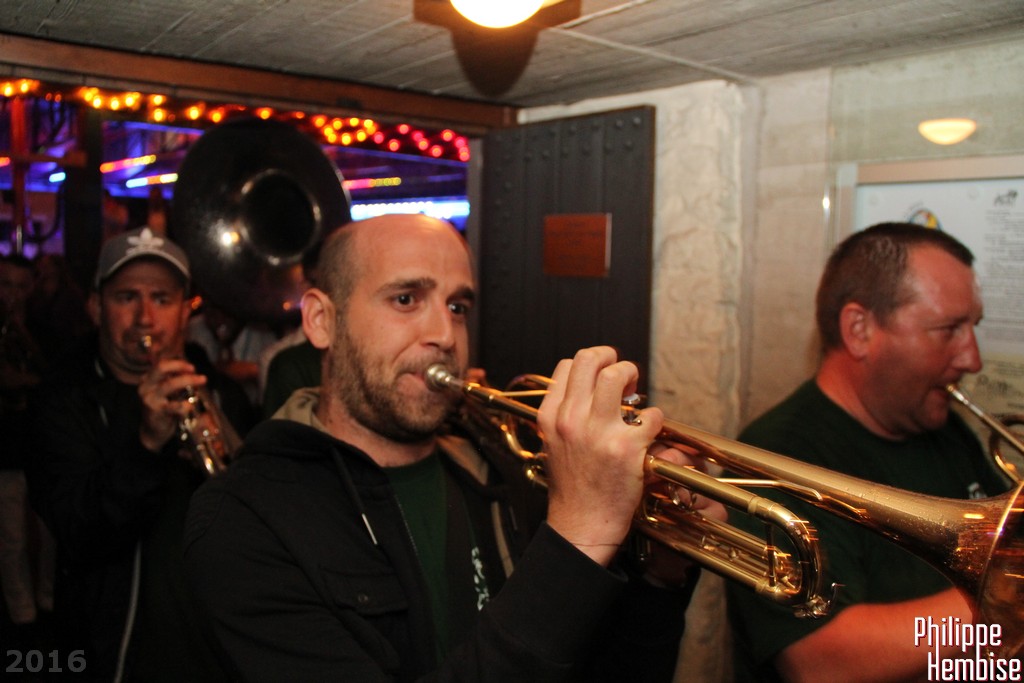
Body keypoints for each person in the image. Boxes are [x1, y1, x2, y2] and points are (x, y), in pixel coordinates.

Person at [184, 213, 724, 682]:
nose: (445, 334)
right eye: (405, 299)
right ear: (321, 321)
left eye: (458, 306)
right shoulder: (241, 520)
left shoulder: (503, 468)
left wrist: (659, 576)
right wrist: (579, 536)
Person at [727, 222, 1012, 682]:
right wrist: (1007, 598)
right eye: (949, 329)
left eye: (972, 327)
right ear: (859, 329)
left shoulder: (942, 426)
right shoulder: (776, 455)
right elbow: (820, 661)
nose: (972, 359)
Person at [27, 227, 254, 682]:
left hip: (213, 650)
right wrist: (147, 446)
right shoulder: (62, 400)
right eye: (127, 297)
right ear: (96, 307)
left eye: (162, 299)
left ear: (185, 312)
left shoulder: (222, 393)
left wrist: (232, 457)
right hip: (112, 654)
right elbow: (77, 532)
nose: (145, 318)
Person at [0, 254, 54, 635]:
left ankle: (49, 604)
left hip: (40, 445)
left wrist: (24, 380)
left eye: (21, 286)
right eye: (6, 285)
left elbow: (56, 380)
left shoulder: (44, 328)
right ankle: (22, 618)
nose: (13, 294)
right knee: (11, 539)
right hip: (4, 448)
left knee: (51, 534)